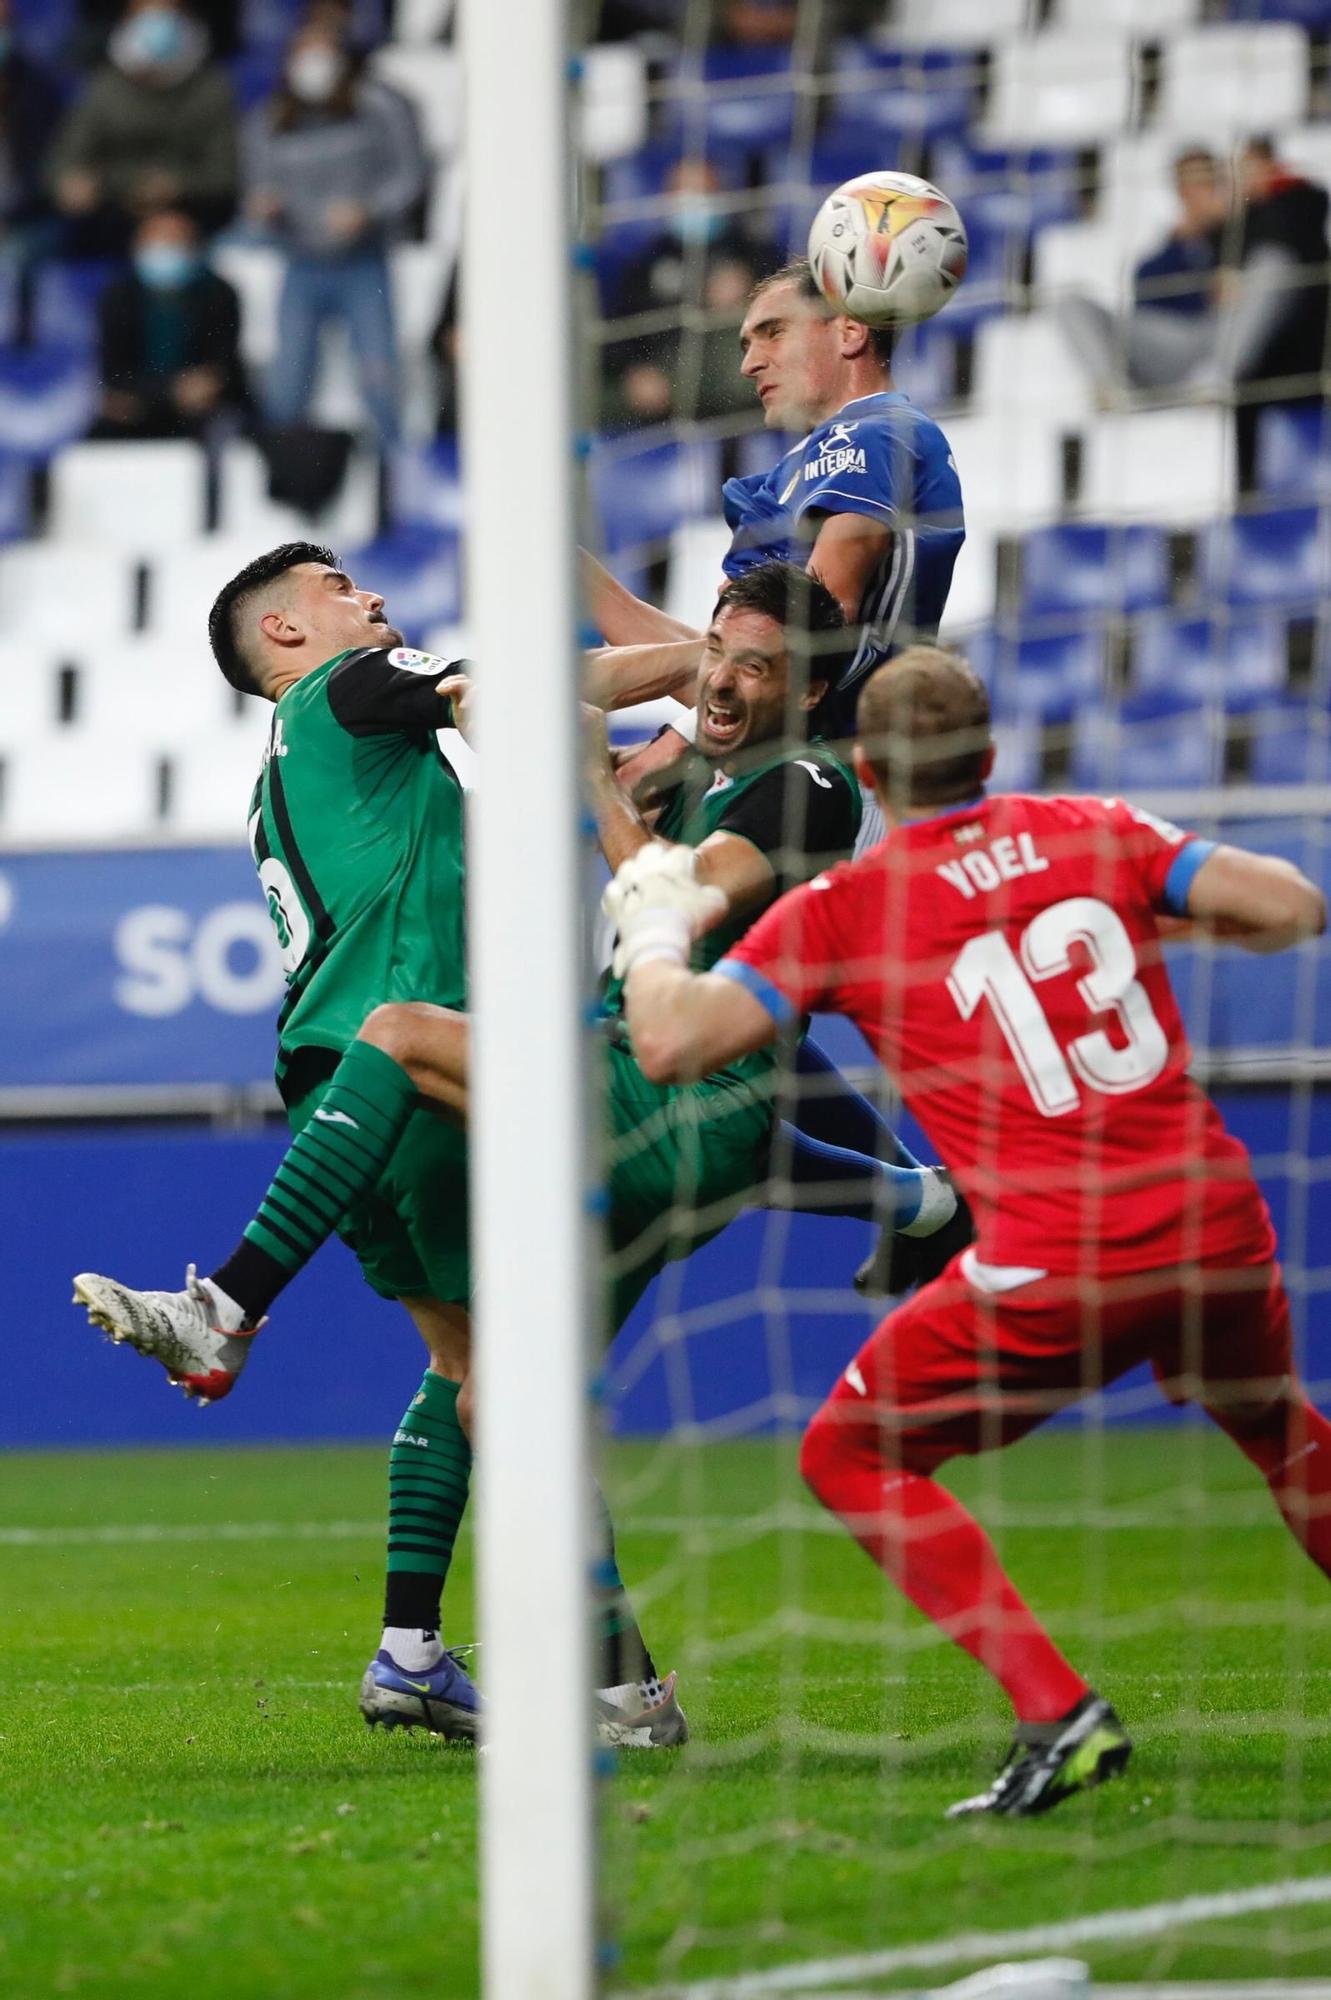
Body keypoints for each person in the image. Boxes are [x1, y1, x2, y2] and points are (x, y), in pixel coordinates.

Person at [603, 642, 1331, 1819]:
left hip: (1058, 1258)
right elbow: (1291, 905)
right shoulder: (1095, 828)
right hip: (1214, 1223)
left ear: (864, 769)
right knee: (1273, 1424)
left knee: (848, 1452)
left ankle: (1057, 1708)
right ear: (990, 754)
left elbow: (670, 1042)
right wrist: (1144, 915)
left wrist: (647, 923)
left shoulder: (842, 908)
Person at [73, 542, 701, 1747]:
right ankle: (618, 1683)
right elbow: (522, 684)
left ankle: (411, 1650)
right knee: (518, 1379)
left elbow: (560, 760)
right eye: (336, 587)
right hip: (417, 1055)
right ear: (285, 636)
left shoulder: (314, 762)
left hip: (334, 1088)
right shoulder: (351, 687)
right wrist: (721, 660)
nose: (366, 595)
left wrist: (654, 760)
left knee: (467, 1369)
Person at [587, 252, 970, 1283]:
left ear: (846, 329)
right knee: (733, 1018)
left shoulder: (878, 436)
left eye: (766, 330)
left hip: (818, 781)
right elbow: (728, 657)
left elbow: (796, 644)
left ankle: (927, 1203)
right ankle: (928, 1206)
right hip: (772, 769)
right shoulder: (791, 476)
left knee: (695, 1035)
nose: (746, 354)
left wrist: (669, 728)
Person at [242, 21, 427, 445]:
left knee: (378, 378)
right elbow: (255, 192)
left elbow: (411, 174)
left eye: (324, 51)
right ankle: (287, 478)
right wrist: (264, 210)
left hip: (363, 263)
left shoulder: (378, 105)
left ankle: (395, 473)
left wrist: (370, 209)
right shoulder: (268, 119)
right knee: (286, 384)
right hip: (301, 265)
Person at [48, 0, 238, 259]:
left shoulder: (212, 90)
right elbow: (67, 157)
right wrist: (70, 181)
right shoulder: (104, 88)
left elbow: (224, 174)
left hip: (190, 218)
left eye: (167, 16)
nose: (156, 25)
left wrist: (178, 185)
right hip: (112, 216)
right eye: (146, 16)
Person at [603, 157, 782, 428]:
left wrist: (751, 292)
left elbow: (789, 309)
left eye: (704, 193)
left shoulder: (752, 252)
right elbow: (618, 329)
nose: (695, 203)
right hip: (665, 375)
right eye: (684, 194)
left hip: (734, 372)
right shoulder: (646, 262)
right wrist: (634, 371)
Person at [89, 207, 249, 441]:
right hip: (137, 403)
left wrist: (199, 389)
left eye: (176, 242)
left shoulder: (218, 294)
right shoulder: (118, 296)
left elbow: (222, 366)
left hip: (203, 408)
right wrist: (168, 393)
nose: (166, 250)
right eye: (159, 242)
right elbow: (113, 372)